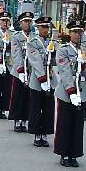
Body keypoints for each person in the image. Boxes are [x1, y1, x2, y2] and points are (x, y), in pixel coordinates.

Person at [54, 20, 86, 167]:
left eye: (79, 32)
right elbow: (64, 71)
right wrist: (71, 91)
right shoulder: (63, 49)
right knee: (65, 123)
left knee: (77, 125)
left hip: (82, 90)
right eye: (75, 32)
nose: (78, 34)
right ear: (69, 33)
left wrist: (83, 64)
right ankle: (64, 153)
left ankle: (74, 153)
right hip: (67, 92)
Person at [27, 16, 56, 146]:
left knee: (48, 108)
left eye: (47, 27)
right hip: (38, 80)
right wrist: (42, 78)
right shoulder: (33, 42)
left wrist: (53, 53)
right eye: (43, 27)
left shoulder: (53, 42)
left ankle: (45, 133)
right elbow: (35, 61)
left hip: (50, 78)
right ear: (37, 28)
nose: (46, 30)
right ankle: (37, 134)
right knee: (36, 107)